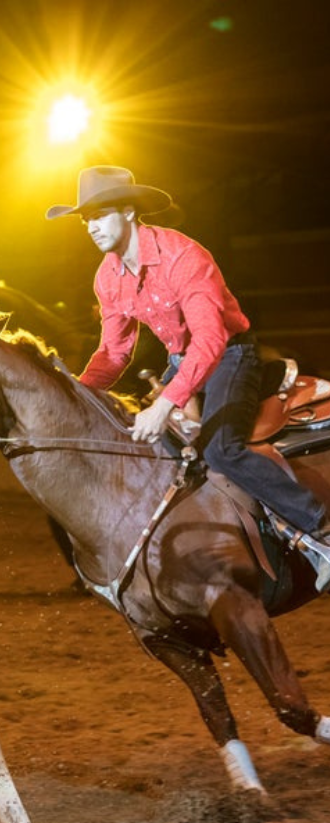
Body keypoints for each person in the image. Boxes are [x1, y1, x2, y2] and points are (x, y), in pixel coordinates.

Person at [46, 165, 330, 590]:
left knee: (221, 450)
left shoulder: (184, 256)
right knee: (152, 455)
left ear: (127, 211)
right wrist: (76, 395)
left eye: (99, 214)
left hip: (231, 354)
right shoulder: (107, 277)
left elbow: (211, 339)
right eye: (85, 218)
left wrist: (165, 404)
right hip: (184, 360)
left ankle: (320, 530)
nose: (90, 226)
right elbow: (114, 352)